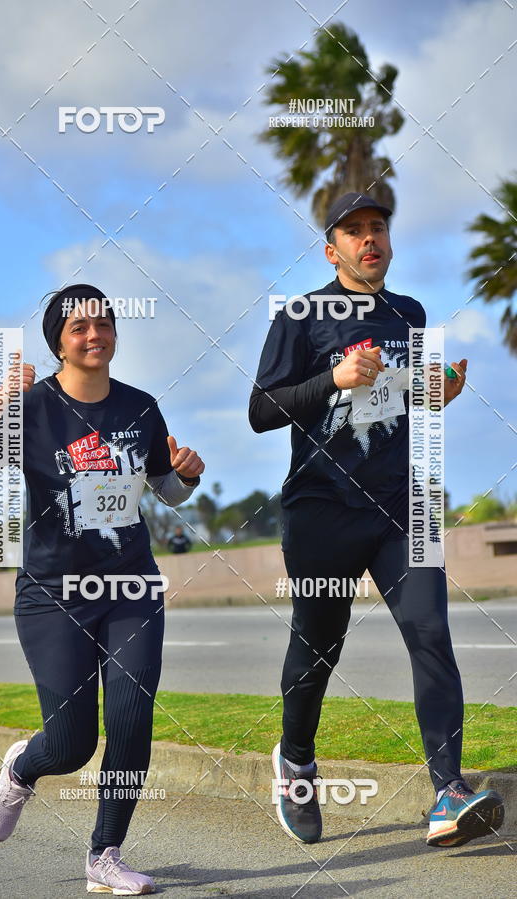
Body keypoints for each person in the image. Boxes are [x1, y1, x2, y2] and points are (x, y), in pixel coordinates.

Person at [249, 193, 505, 848]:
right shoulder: (300, 315)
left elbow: (403, 398)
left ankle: (448, 791)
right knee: (318, 645)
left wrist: (435, 392)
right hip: (321, 507)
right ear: (331, 248)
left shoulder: (409, 313)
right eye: (355, 231)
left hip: (400, 505)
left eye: (379, 228)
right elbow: (261, 408)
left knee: (430, 631)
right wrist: (333, 376)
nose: (370, 239)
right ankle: (297, 761)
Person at [0, 284, 205, 895]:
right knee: (70, 743)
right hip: (53, 592)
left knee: (131, 716)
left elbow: (166, 489)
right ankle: (22, 766)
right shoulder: (32, 407)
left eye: (103, 324)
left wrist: (189, 473)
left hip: (132, 586)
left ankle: (105, 856)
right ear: (58, 342)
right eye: (78, 328)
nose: (94, 335)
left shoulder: (140, 407)